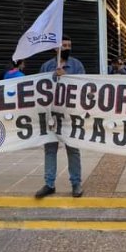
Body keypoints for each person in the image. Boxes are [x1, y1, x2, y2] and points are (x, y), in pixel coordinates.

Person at [36, 35, 85, 198]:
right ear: (56, 48)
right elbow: (39, 88)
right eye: (64, 45)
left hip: (70, 115)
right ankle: (49, 184)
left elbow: (83, 88)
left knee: (73, 149)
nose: (67, 48)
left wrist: (66, 77)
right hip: (51, 114)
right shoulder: (46, 66)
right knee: (50, 149)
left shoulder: (77, 65)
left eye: (69, 45)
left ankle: (76, 183)